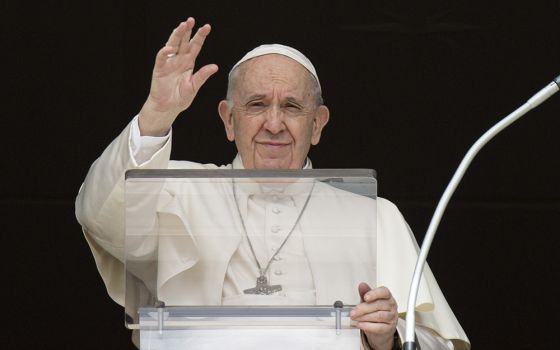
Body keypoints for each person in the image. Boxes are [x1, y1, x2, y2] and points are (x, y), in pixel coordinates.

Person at [75, 17, 470, 350]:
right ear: (229, 120)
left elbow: (436, 342)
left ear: (317, 124)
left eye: (293, 107)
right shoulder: (175, 192)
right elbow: (100, 217)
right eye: (257, 105)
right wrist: (157, 115)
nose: (275, 124)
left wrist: (386, 339)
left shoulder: (376, 217)